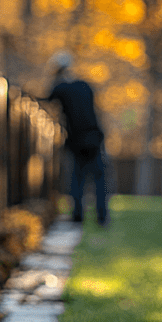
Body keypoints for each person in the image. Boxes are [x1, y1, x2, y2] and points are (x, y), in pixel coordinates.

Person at [47, 53, 108, 225]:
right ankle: (102, 217)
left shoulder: (60, 89)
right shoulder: (85, 86)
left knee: (77, 179)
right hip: (94, 138)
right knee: (98, 179)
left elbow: (48, 100)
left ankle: (78, 215)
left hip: (77, 141)